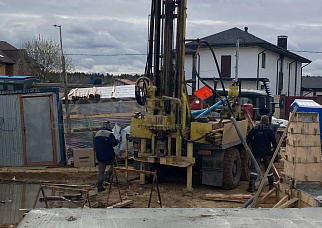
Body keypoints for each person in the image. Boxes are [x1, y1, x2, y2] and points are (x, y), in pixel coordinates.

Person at [246, 115, 277, 192]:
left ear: (260, 120)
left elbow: (248, 139)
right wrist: (275, 148)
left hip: (256, 151)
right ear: (268, 121)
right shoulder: (270, 129)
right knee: (268, 168)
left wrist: (253, 143)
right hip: (267, 152)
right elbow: (274, 142)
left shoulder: (255, 128)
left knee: (254, 169)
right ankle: (271, 185)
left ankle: (251, 187)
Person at [95, 121, 119, 192]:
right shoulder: (109, 134)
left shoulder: (97, 134)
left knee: (101, 171)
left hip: (100, 156)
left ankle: (99, 186)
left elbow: (95, 145)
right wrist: (117, 141)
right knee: (114, 165)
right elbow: (113, 143)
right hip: (109, 155)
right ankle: (108, 175)